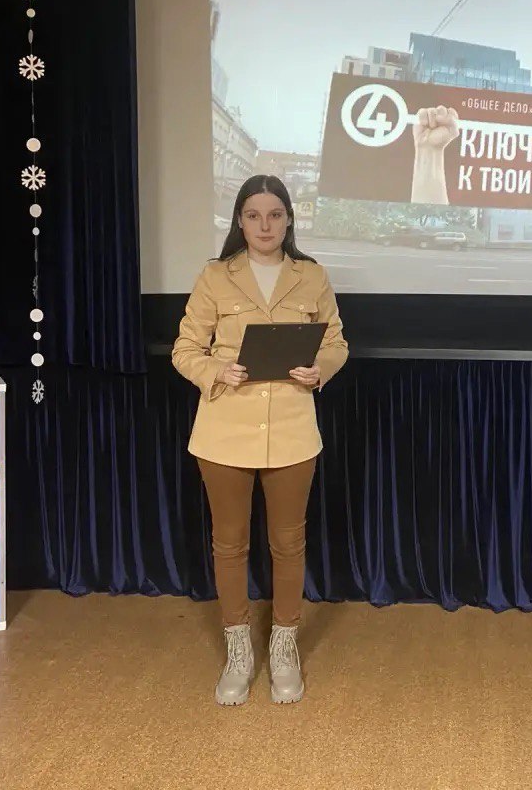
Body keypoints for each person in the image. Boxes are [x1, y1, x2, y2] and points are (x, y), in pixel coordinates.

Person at [172, 174, 348, 706]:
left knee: (288, 543)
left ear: (289, 219)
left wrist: (320, 370)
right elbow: (185, 349)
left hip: (292, 429)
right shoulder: (215, 275)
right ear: (240, 221)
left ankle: (284, 646)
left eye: (275, 215)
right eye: (254, 215)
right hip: (224, 429)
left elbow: (336, 342)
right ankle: (239, 651)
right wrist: (216, 371)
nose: (265, 225)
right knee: (230, 544)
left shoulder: (311, 276)